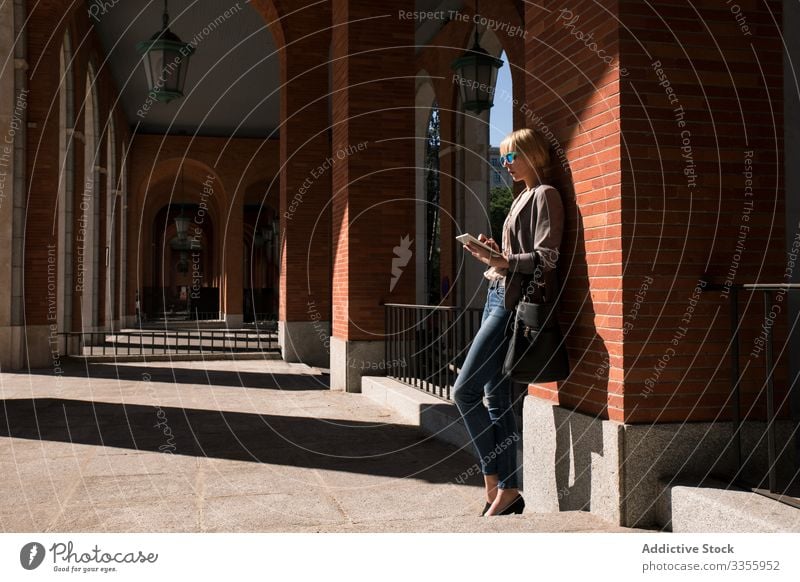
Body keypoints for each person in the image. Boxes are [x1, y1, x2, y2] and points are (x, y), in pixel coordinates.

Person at [453, 128, 565, 516]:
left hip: (511, 304)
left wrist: (505, 262)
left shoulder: (545, 196)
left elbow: (548, 257)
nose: (505, 164)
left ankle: (491, 480)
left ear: (531, 154)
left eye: (510, 156)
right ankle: (510, 489)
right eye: (502, 158)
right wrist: (493, 254)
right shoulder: (521, 197)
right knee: (496, 399)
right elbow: (517, 258)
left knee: (462, 393)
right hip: (496, 295)